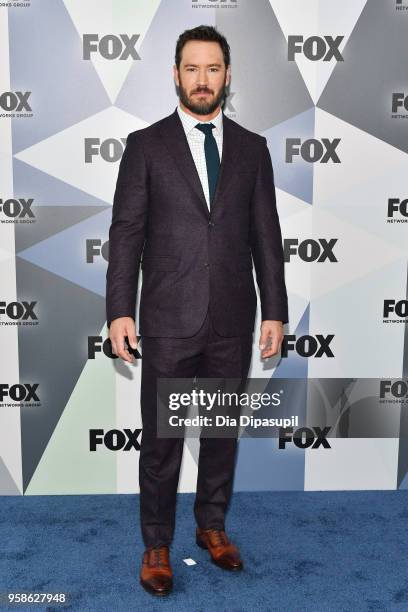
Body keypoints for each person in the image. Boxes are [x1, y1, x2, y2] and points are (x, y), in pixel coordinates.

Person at [106, 24, 288, 597]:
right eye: (192, 68)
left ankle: (212, 528)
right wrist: (118, 310)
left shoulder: (253, 149)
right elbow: (127, 233)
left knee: (220, 436)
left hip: (232, 319)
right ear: (175, 74)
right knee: (161, 442)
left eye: (213, 68)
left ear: (227, 76)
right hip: (167, 318)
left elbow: (266, 235)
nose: (202, 79)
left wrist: (274, 312)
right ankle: (156, 542)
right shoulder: (146, 145)